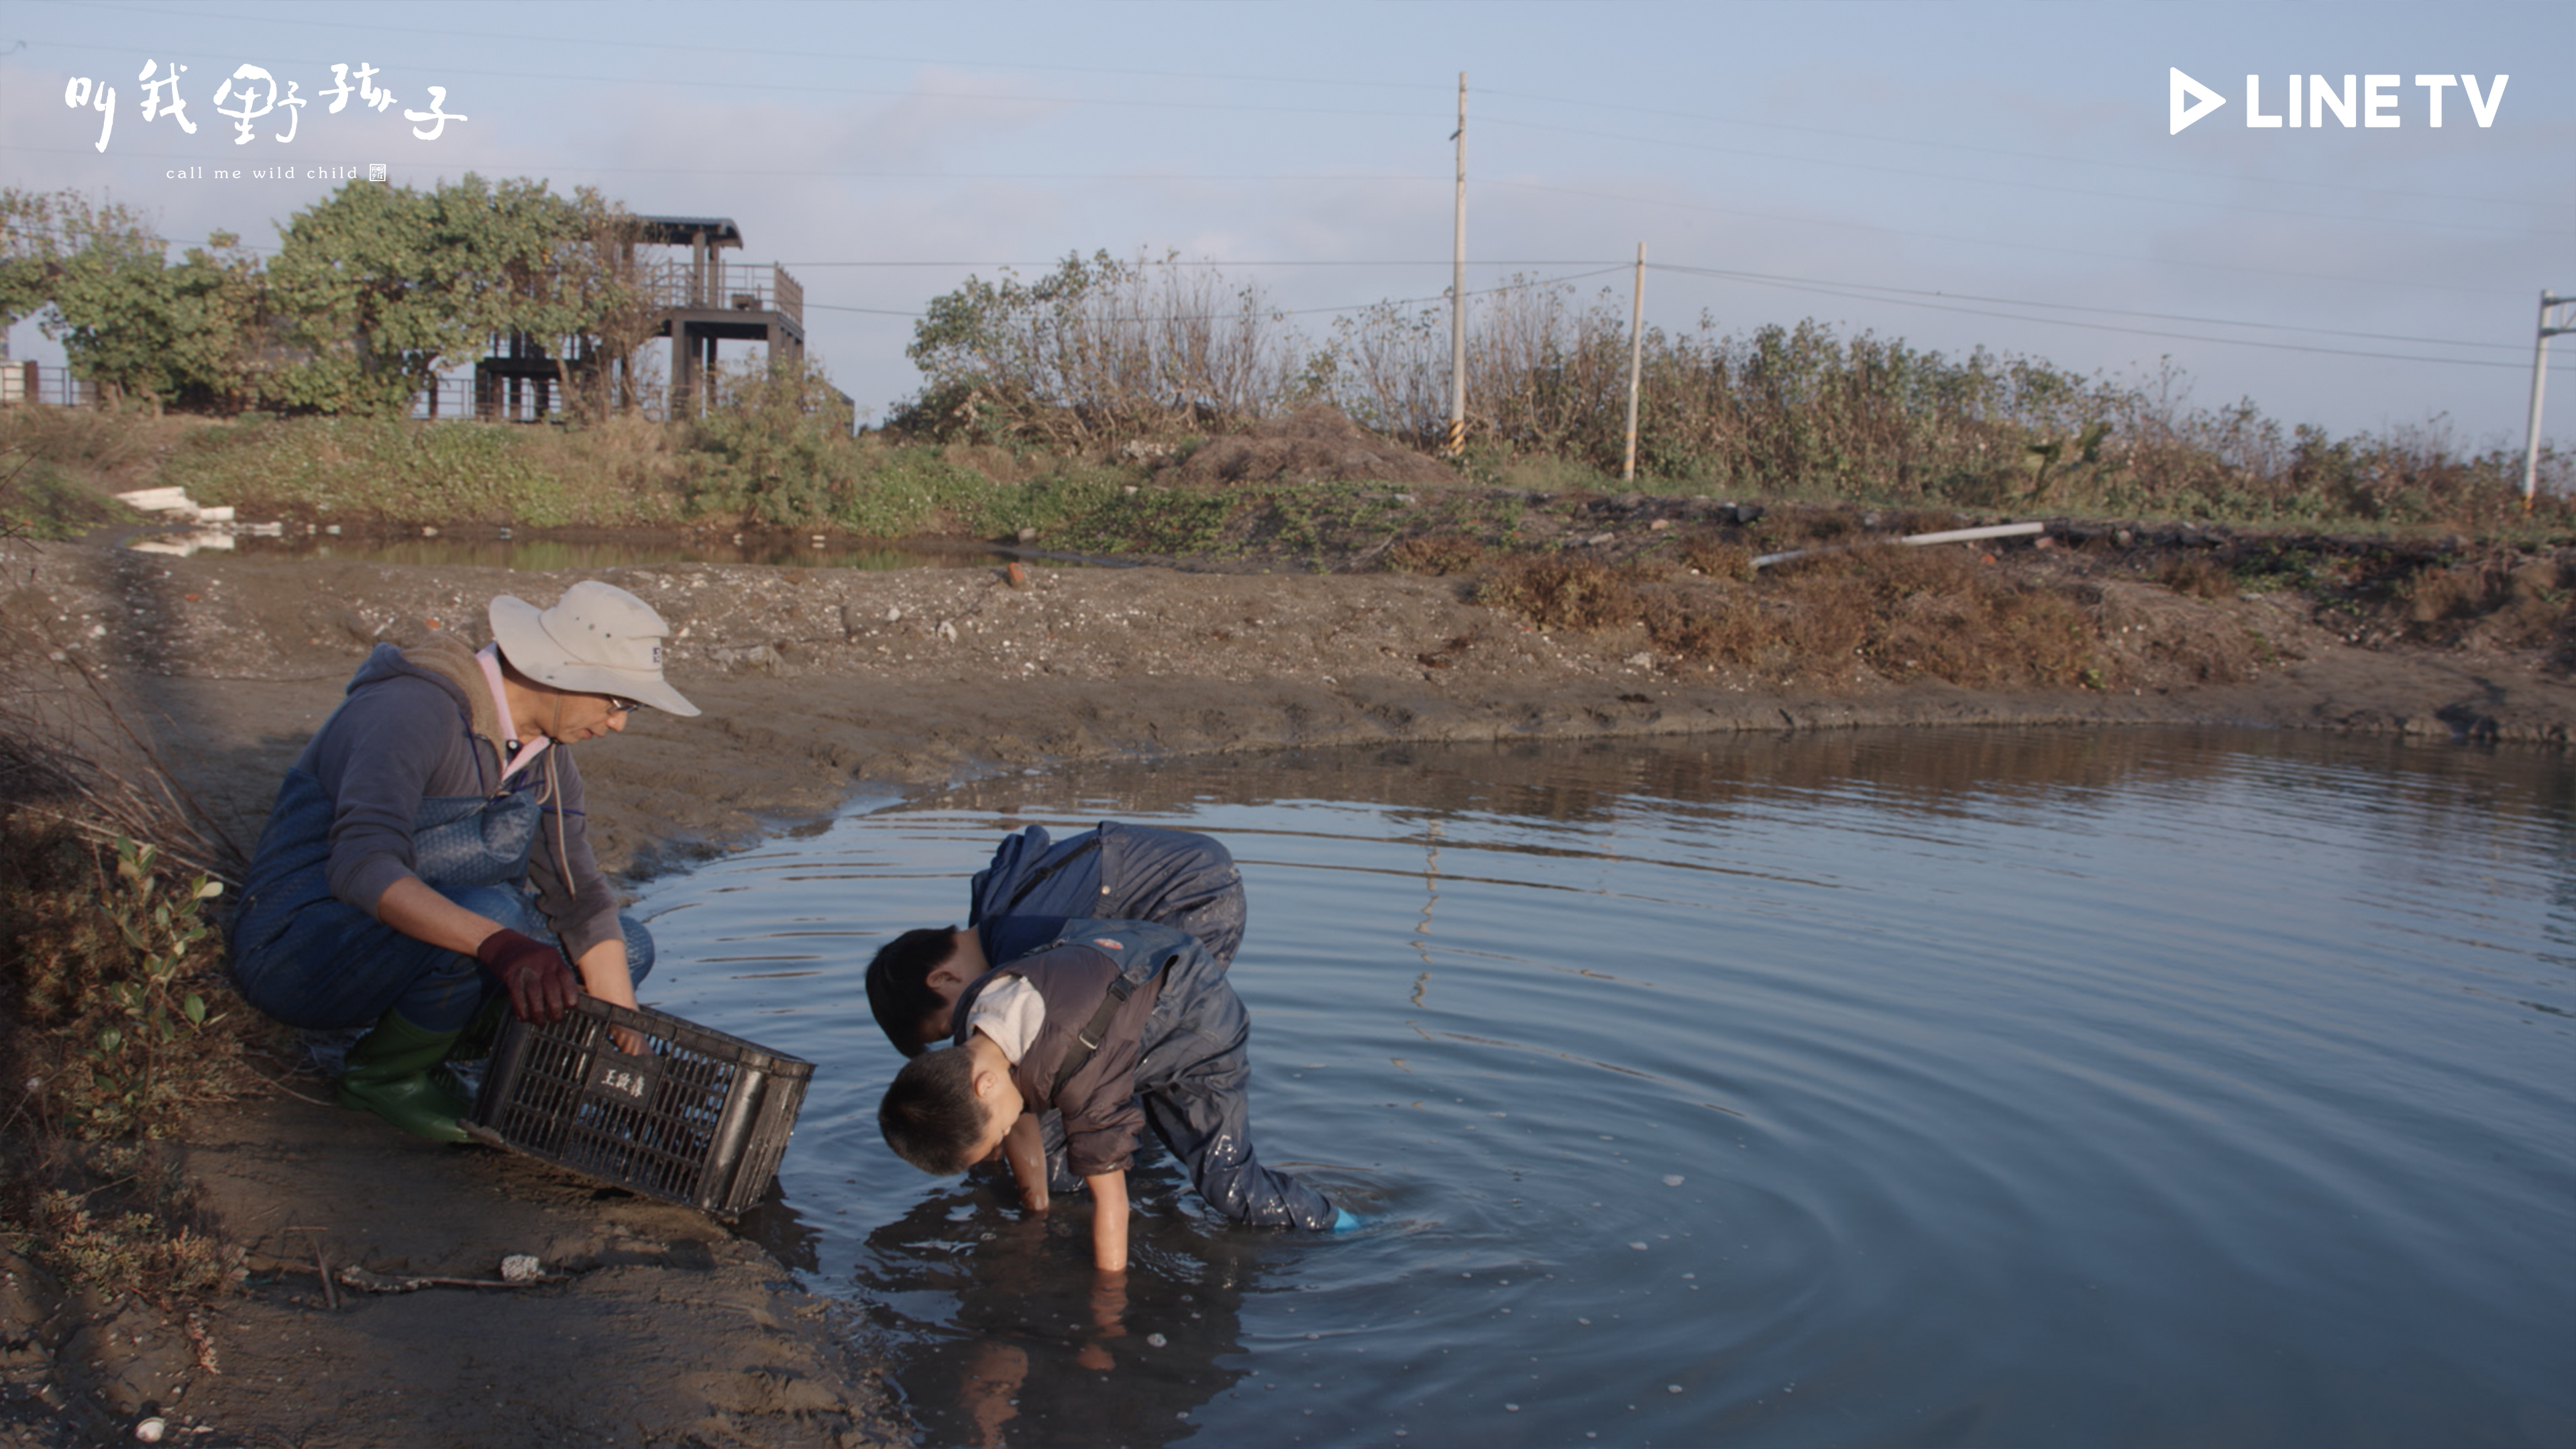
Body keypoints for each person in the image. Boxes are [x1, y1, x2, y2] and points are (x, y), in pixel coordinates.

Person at [228, 580, 698, 1142]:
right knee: (496, 915)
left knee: (628, 944)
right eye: (616, 702)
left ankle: (455, 1055)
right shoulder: (409, 711)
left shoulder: (547, 759)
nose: (619, 723)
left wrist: (633, 1050)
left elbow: (580, 902)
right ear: (559, 674)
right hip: (299, 954)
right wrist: (500, 945)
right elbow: (361, 866)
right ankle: (383, 1078)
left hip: (407, 945)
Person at [867, 822, 1346, 1230]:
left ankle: (1271, 1196)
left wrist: (1051, 1189)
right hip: (1177, 902)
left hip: (1193, 902)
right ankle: (1143, 1140)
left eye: (945, 1028)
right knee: (1084, 1095)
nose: (960, 1036)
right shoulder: (1002, 931)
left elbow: (1055, 1075)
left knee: (1085, 1118)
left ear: (943, 979)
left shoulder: (1020, 948)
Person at [879, 919, 1352, 1274]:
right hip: (1127, 958)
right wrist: (1034, 1214)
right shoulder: (974, 1026)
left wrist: (1108, 1311)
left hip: (1194, 1009)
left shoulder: (1075, 1067)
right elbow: (1018, 1117)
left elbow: (1113, 1203)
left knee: (1228, 1187)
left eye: (996, 1132)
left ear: (983, 1085)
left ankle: (1343, 1223)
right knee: (1061, 1146)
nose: (1005, 1135)